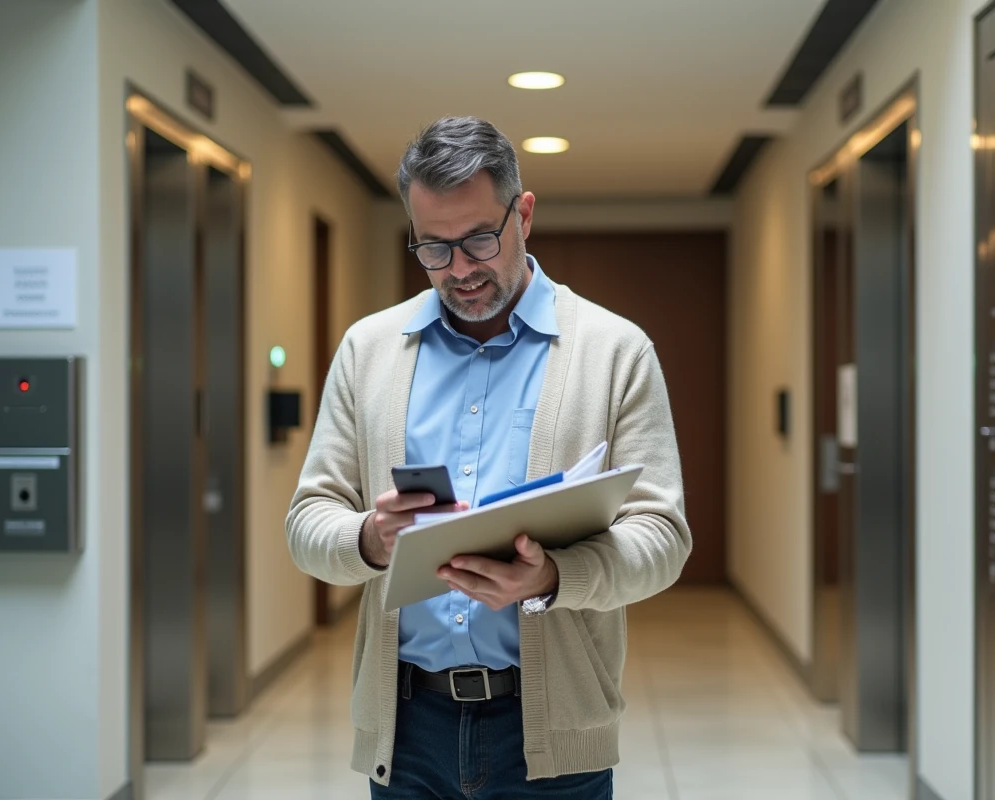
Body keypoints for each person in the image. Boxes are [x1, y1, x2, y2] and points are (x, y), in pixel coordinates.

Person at [285, 115, 691, 799]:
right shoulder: (368, 351)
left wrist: (554, 576)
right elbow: (306, 523)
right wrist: (371, 539)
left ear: (523, 214)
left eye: (478, 239)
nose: (461, 270)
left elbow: (662, 538)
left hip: (551, 733)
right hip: (406, 730)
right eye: (433, 249)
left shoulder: (616, 352)